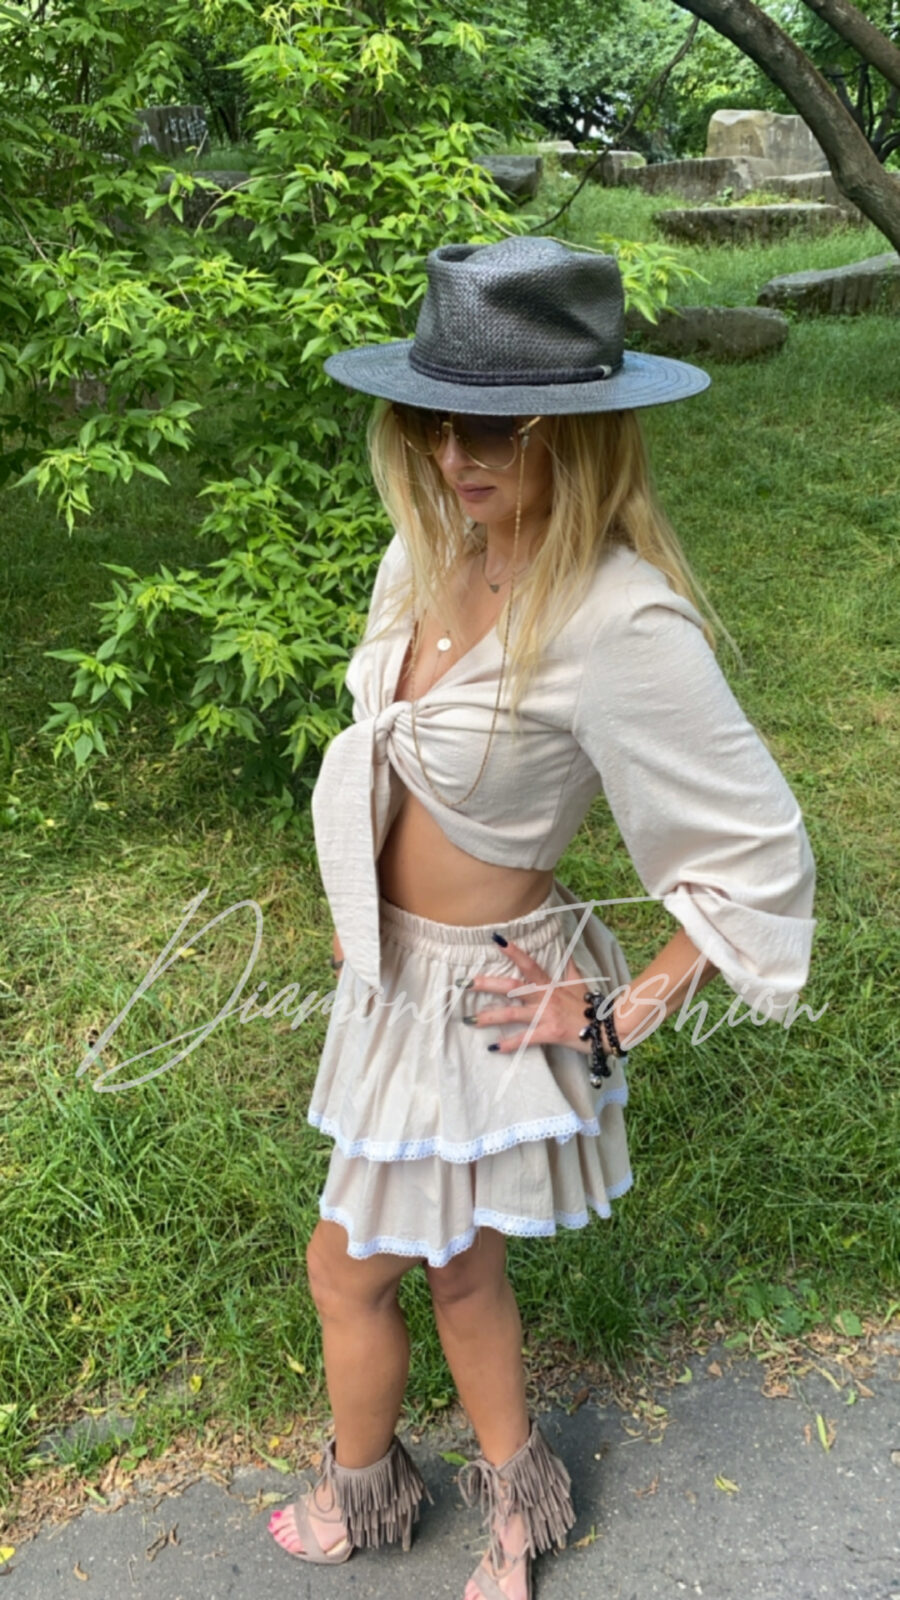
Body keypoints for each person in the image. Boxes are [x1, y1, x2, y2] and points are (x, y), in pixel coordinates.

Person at [267, 236, 816, 1599]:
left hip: (483, 997)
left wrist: (616, 1014)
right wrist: (357, 900)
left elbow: (760, 851)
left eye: (495, 430)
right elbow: (392, 753)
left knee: (368, 1273)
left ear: (584, 430)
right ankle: (470, 1503)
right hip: (393, 986)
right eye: (436, 420)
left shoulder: (620, 624)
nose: (455, 456)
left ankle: (411, 1505)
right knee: (432, 1272)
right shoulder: (426, 555)